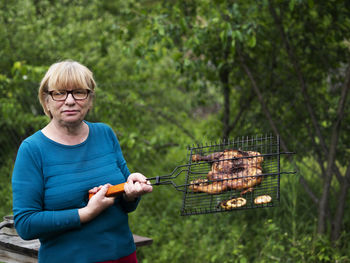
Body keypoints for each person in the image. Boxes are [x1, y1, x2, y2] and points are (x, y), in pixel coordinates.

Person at [12, 60, 153, 263]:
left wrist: (131, 194)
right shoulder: (33, 149)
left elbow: (125, 204)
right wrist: (85, 213)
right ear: (46, 100)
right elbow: (26, 224)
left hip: (123, 255)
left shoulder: (105, 134)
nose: (70, 101)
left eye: (79, 92)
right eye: (59, 93)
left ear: (89, 99)